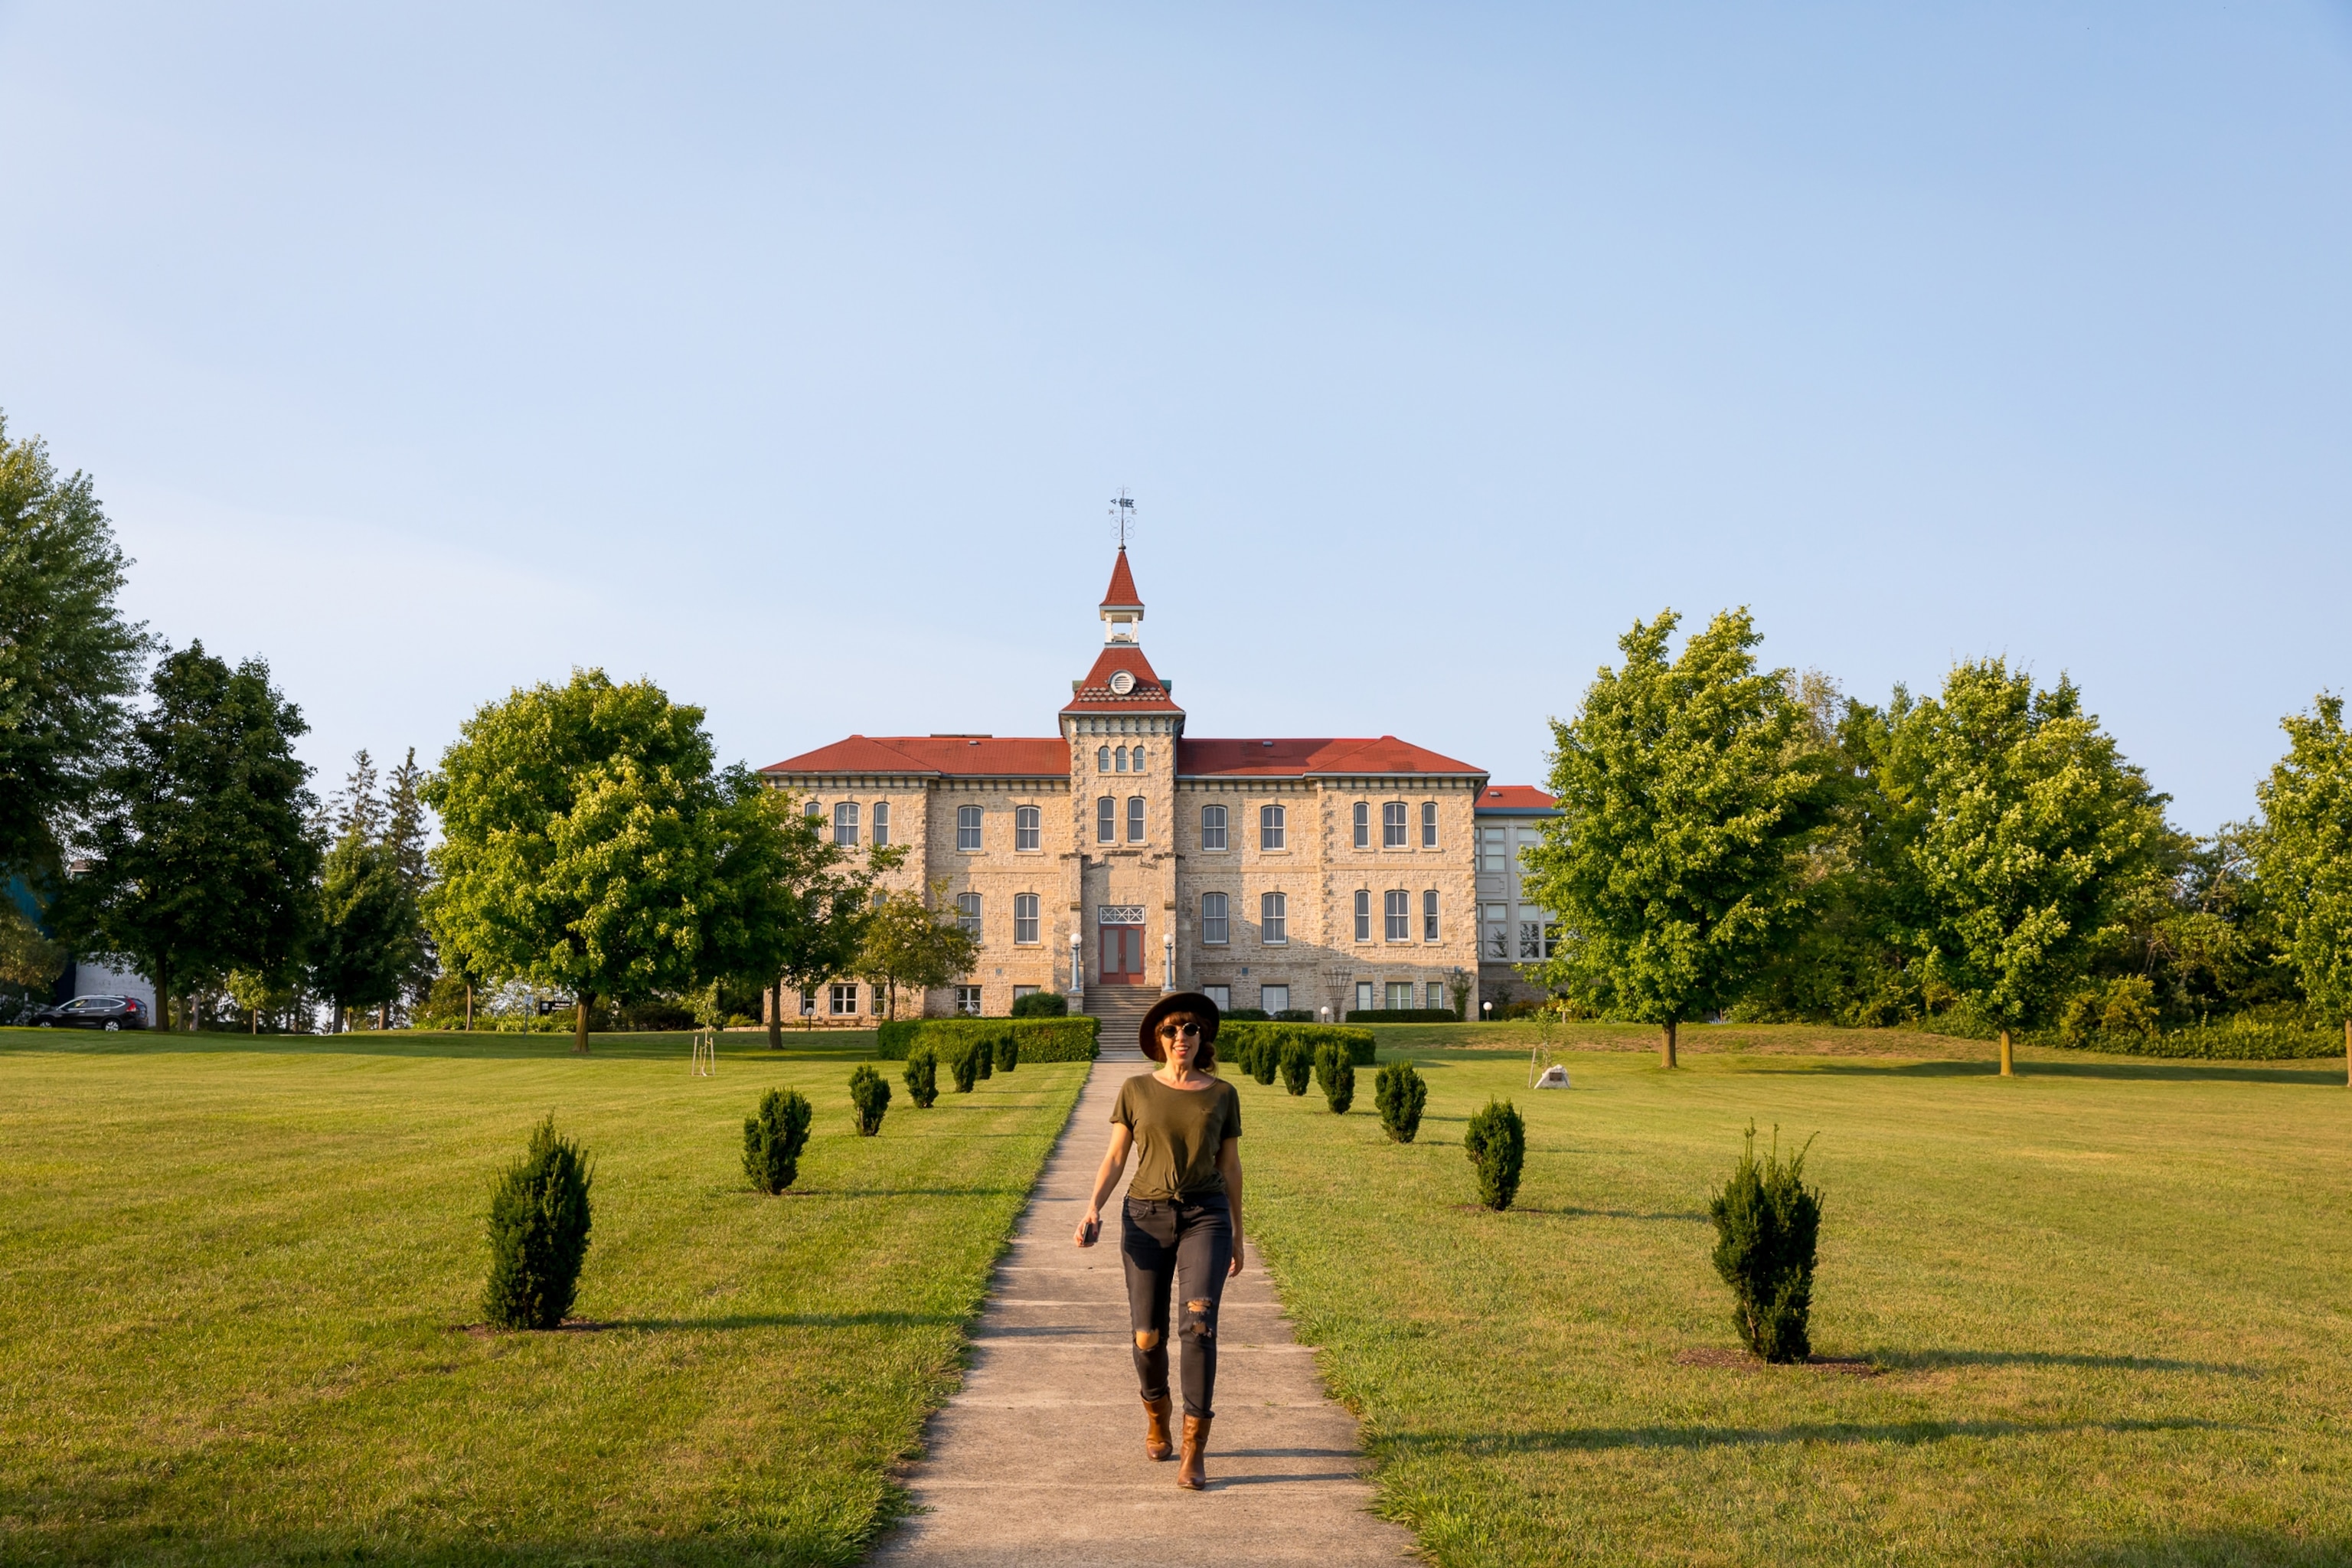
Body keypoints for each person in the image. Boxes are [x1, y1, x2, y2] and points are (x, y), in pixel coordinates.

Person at [1073, 991, 1243, 1491]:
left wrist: (1238, 1234)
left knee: (1199, 1327)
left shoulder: (1222, 1093)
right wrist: (1092, 1207)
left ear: (1201, 1037)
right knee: (1147, 1335)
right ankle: (1156, 1417)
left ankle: (1194, 1447)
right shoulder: (1136, 1089)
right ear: (1158, 1039)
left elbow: (1230, 1167)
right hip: (1145, 1218)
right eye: (1171, 1030)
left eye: (1189, 1029)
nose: (1180, 1038)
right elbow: (1115, 1158)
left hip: (1205, 1218)